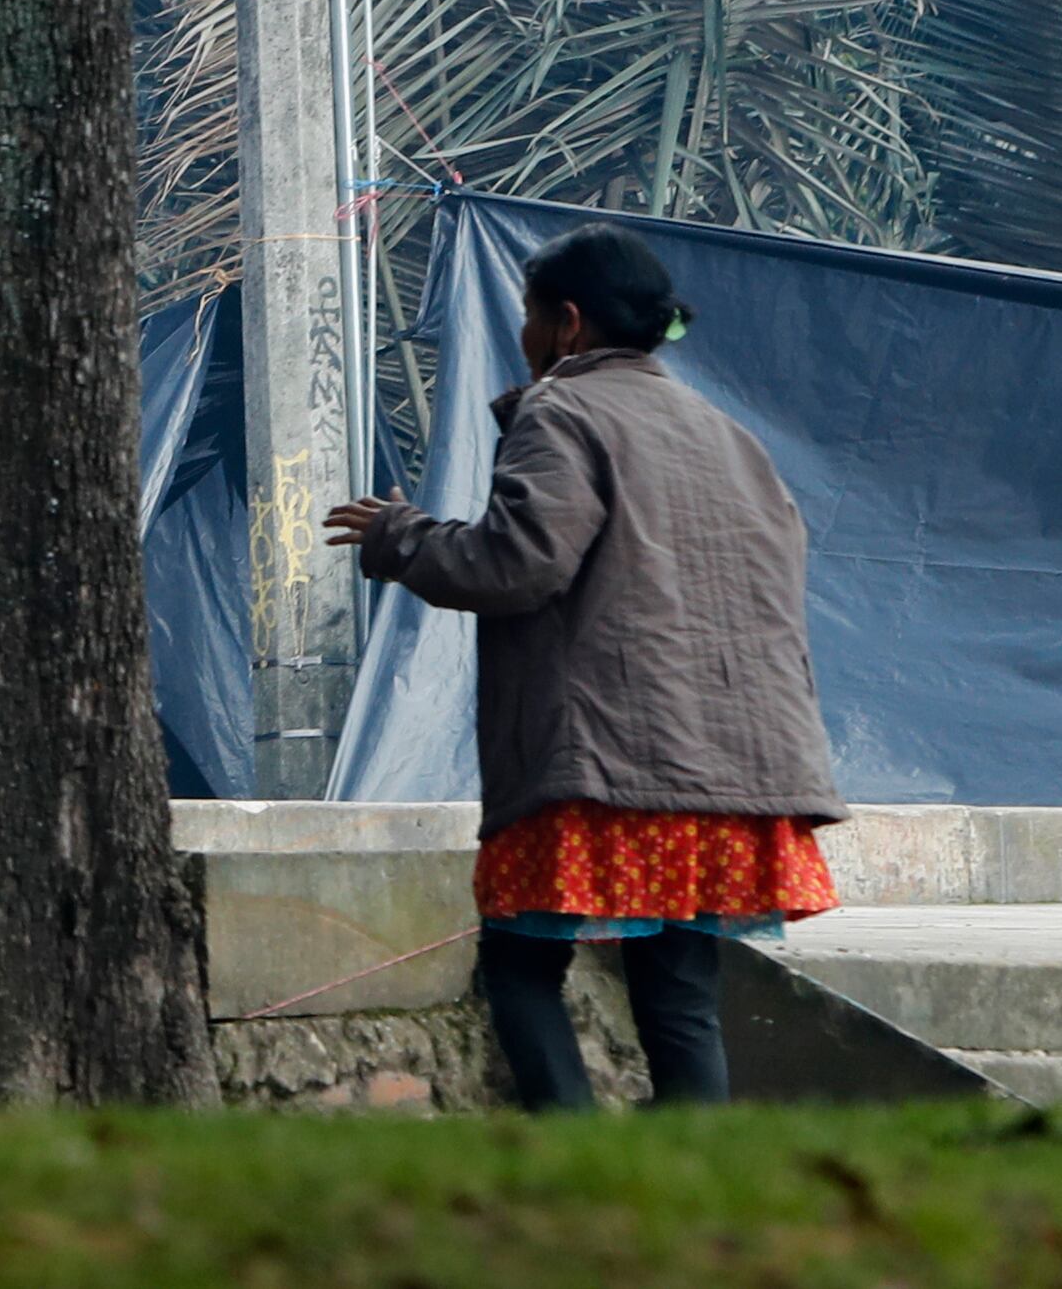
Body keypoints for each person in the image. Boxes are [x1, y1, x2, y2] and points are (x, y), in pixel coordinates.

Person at [325, 220, 843, 1112]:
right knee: (680, 995)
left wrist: (398, 535)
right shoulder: (727, 434)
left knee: (519, 965)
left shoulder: (560, 410)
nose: (524, 340)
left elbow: (519, 562)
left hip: (606, 768)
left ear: (567, 324)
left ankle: (574, 1166)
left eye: (530, 318)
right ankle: (692, 1193)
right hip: (734, 775)